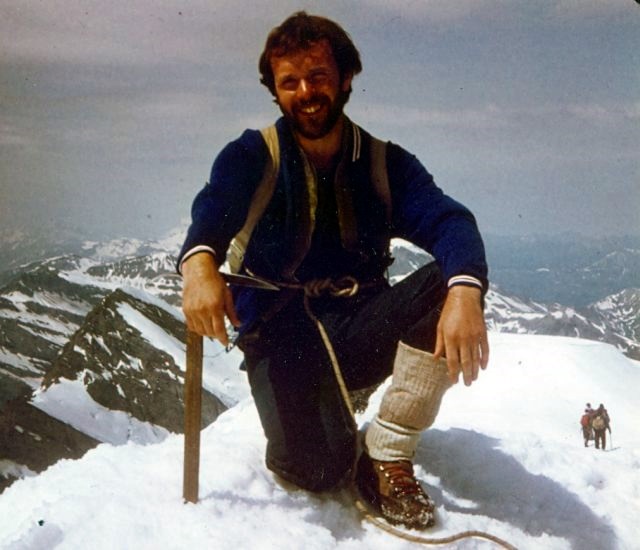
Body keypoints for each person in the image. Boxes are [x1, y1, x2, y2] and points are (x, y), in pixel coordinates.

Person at [178, 12, 489, 530]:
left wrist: (464, 295)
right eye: (290, 82)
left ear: (345, 79)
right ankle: (331, 425)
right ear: (275, 92)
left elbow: (450, 221)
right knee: (315, 471)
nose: (306, 92)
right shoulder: (253, 156)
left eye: (319, 76)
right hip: (282, 335)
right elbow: (213, 209)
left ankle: (387, 450)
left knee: (450, 282)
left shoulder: (386, 164)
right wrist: (198, 262)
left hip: (360, 326)